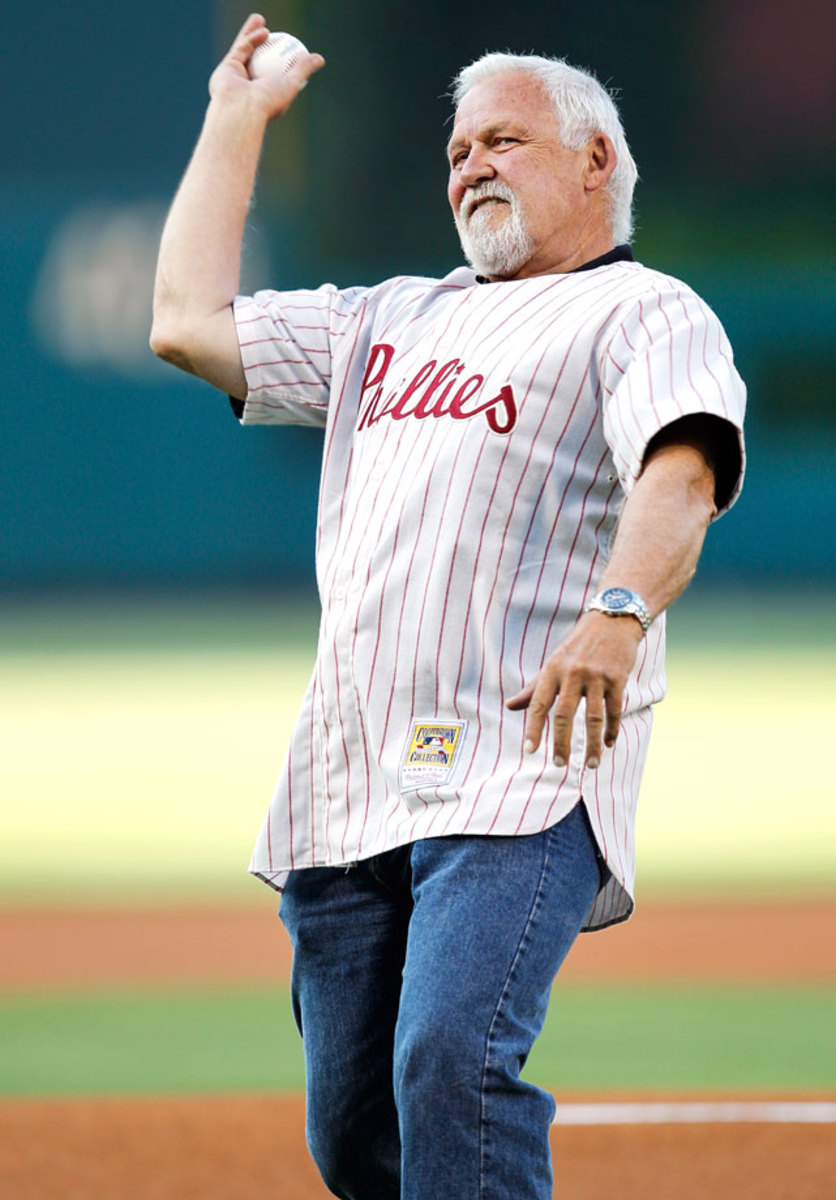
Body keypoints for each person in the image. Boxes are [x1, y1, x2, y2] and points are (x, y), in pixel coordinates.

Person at [151, 13, 746, 1199]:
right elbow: (187, 324)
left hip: (517, 773)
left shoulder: (643, 313)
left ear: (596, 163)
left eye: (503, 139)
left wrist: (618, 611)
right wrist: (235, 117)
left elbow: (678, 474)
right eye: (456, 148)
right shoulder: (386, 318)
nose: (468, 161)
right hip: (348, 779)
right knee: (351, 1133)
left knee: (452, 1066)